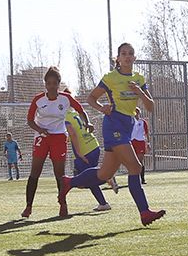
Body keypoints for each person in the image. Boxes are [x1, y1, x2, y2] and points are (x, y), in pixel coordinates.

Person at [60, 43, 165, 226]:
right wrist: (102, 108)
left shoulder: (139, 79)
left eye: (130, 53)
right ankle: (144, 212)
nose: (127, 56)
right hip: (113, 124)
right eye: (123, 53)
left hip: (127, 126)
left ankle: (69, 182)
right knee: (135, 166)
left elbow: (151, 106)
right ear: (118, 58)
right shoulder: (111, 78)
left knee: (104, 173)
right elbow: (91, 98)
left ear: (134, 58)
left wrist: (140, 92)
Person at [22, 67, 84, 219]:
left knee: (59, 174)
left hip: (59, 137)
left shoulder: (65, 98)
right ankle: (28, 206)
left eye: (54, 83)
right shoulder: (38, 99)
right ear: (45, 84)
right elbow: (29, 120)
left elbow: (81, 110)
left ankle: (63, 204)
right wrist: (40, 130)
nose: (51, 86)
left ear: (58, 84)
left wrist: (87, 122)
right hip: (42, 137)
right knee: (35, 172)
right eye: (48, 83)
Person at [59, 103, 112, 212]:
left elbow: (73, 133)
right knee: (88, 179)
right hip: (93, 145)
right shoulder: (73, 113)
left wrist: (78, 153)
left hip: (85, 150)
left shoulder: (64, 116)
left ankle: (107, 177)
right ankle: (103, 203)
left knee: (82, 181)